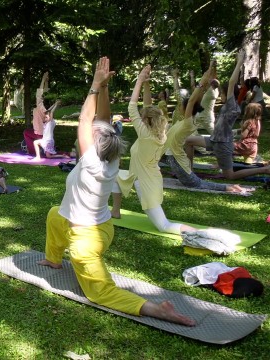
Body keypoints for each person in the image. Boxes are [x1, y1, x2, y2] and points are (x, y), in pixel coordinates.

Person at [37, 57, 195, 327]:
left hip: (87, 240)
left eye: (90, 133)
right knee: (55, 214)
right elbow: (101, 120)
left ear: (92, 143)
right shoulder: (111, 157)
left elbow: (87, 118)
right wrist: (105, 87)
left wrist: (95, 87)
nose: (88, 131)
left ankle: (157, 310)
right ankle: (53, 260)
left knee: (101, 292)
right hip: (100, 227)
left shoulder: (89, 164)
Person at [111, 65, 195, 235]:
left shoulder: (145, 136)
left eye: (142, 118)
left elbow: (132, 107)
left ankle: (199, 232)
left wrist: (140, 80)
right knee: (115, 175)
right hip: (141, 176)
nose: (139, 119)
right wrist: (146, 85)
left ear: (146, 121)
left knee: (164, 226)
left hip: (145, 183)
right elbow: (147, 106)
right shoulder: (159, 134)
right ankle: (115, 211)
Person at [184, 50, 270, 180]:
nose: (221, 95)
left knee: (229, 175)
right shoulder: (232, 106)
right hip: (215, 140)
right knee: (189, 141)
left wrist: (240, 62)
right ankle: (189, 172)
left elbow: (231, 82)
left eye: (223, 93)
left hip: (223, 144)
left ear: (229, 95)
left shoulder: (232, 106)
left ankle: (264, 169)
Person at [164, 66, 245, 193]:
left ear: (185, 110)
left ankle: (229, 187)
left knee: (198, 183)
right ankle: (228, 187)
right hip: (179, 164)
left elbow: (191, 101)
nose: (180, 106)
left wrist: (202, 83)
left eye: (182, 105)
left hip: (180, 166)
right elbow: (194, 100)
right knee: (197, 182)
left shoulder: (187, 123)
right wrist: (206, 79)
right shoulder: (184, 121)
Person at [23, 72, 49, 156]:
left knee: (26, 132)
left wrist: (43, 79)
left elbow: (40, 92)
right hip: (43, 133)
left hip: (39, 133)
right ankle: (35, 149)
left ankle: (32, 151)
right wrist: (46, 82)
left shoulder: (40, 105)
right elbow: (44, 91)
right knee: (27, 132)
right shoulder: (45, 108)